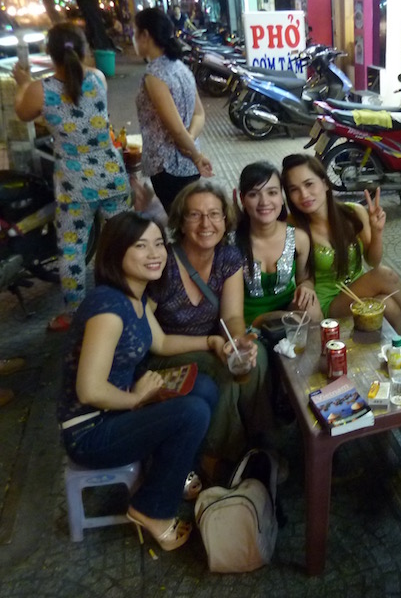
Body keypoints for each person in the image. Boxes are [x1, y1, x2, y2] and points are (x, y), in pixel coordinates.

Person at [59, 211, 222, 551]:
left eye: (159, 244)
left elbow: (161, 342)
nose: (155, 254)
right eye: (141, 246)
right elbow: (89, 390)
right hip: (91, 432)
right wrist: (136, 399)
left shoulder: (136, 296)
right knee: (191, 412)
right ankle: (150, 510)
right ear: (116, 253)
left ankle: (174, 474)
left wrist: (209, 342)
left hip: (117, 412)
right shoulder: (107, 308)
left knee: (203, 387)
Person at [147, 179, 270, 475]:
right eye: (195, 215)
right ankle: (218, 458)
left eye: (215, 214)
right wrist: (215, 345)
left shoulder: (228, 257)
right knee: (224, 369)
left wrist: (239, 341)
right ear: (181, 221)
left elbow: (232, 316)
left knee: (257, 356)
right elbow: (152, 338)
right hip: (167, 353)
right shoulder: (163, 261)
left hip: (213, 343)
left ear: (225, 220)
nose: (206, 224)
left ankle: (261, 442)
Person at [12, 22, 131, 332]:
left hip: (74, 186)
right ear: (84, 50)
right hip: (111, 176)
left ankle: (76, 313)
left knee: (72, 249)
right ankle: (128, 300)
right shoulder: (98, 79)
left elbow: (23, 113)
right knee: (122, 243)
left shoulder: (41, 90)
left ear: (49, 55)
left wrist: (23, 82)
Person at [281, 153, 401, 349]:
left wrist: (377, 232)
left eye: (309, 184)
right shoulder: (291, 228)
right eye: (294, 189)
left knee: (391, 308)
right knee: (384, 275)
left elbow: (373, 260)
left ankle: (391, 358)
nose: (304, 195)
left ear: (325, 183)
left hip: (359, 292)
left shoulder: (353, 213)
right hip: (328, 303)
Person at [133, 7, 212, 215]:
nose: (133, 39)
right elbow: (199, 114)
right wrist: (191, 142)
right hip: (187, 166)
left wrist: (196, 155)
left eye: (135, 33)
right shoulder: (180, 67)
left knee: (182, 226)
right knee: (188, 220)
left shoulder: (155, 75)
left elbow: (176, 130)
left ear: (145, 35)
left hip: (167, 167)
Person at [234, 161, 322, 327]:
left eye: (272, 192)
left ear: (282, 198)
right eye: (254, 194)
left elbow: (305, 279)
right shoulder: (232, 244)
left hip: (287, 314)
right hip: (246, 324)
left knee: (310, 305)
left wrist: (307, 287)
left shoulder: (298, 238)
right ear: (242, 199)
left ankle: (319, 350)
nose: (264, 202)